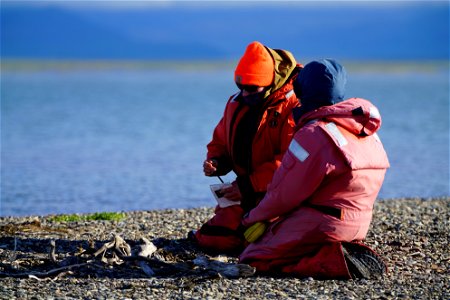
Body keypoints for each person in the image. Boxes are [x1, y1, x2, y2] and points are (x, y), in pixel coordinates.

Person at [238, 59, 390, 279]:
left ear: (302, 90)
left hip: (324, 223)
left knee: (253, 257)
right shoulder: (366, 131)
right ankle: (338, 250)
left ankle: (336, 261)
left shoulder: (313, 134)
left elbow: (284, 194)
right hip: (359, 223)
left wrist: (252, 218)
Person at [192, 41, 302, 254]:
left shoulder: (293, 106)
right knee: (214, 237)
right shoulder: (236, 103)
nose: (245, 93)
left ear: (270, 82)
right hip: (245, 190)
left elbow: (290, 161)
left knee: (238, 239)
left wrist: (249, 185)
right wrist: (216, 161)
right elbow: (220, 140)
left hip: (278, 192)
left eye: (252, 89)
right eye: (241, 87)